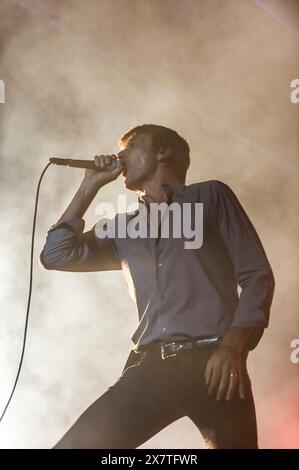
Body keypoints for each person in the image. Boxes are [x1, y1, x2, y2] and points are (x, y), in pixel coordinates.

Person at [40, 124, 275, 449]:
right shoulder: (122, 225)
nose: (120, 154)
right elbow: (56, 255)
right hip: (148, 367)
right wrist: (89, 186)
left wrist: (231, 348)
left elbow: (257, 276)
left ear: (163, 151)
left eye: (133, 144)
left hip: (212, 362)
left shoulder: (210, 196)